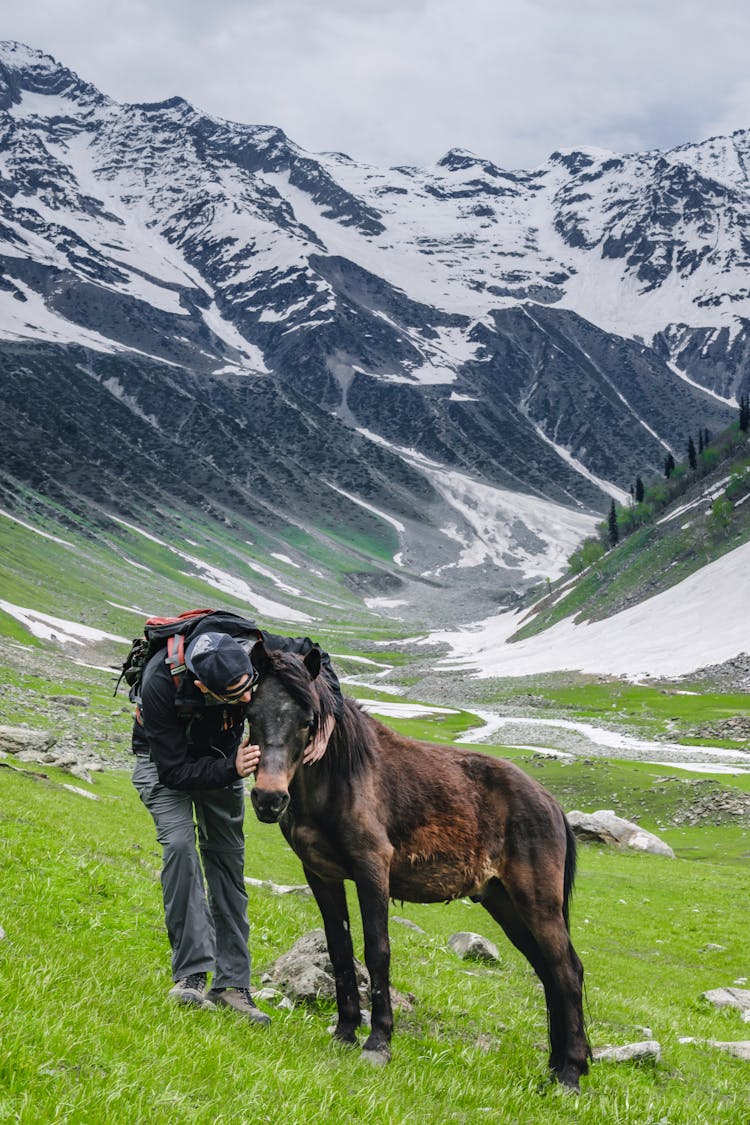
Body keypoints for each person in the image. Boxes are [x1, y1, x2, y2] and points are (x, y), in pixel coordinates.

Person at [131, 621, 340, 1023]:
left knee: (227, 860)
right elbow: (173, 772)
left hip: (226, 760)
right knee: (179, 848)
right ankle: (191, 976)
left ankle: (233, 986)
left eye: (249, 686)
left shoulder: (253, 648)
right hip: (164, 765)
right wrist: (231, 769)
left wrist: (328, 718)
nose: (247, 697)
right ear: (204, 688)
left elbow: (319, 655)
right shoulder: (161, 681)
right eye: (236, 695)